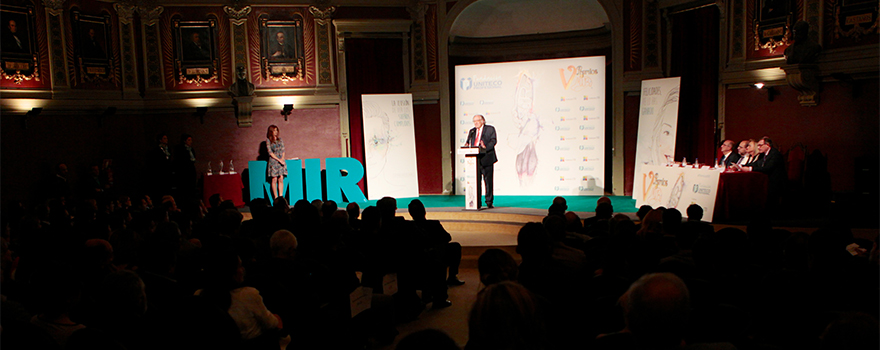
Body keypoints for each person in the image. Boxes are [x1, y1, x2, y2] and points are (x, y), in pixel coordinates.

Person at [737, 136, 786, 207]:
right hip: (766, 178)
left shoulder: (775, 154)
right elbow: (755, 163)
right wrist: (741, 166)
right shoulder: (762, 155)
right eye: (758, 145)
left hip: (775, 180)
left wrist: (750, 169)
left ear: (767, 145)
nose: (758, 147)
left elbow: (767, 168)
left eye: (760, 145)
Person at [464, 114, 497, 209]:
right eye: (474, 121)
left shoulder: (490, 129)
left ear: (483, 121)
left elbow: (493, 141)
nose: (475, 123)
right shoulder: (472, 131)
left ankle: (489, 201)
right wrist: (466, 145)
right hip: (475, 160)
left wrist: (485, 147)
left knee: (488, 182)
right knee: (476, 182)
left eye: (477, 120)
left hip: (487, 158)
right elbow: (468, 142)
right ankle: (477, 202)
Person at [265, 125, 287, 200]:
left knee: (281, 178)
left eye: (277, 130)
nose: (276, 132)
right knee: (274, 179)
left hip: (281, 161)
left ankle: (281, 197)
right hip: (273, 161)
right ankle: (276, 197)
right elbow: (270, 152)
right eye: (274, 130)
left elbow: (283, 150)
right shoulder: (268, 140)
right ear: (271, 131)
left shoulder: (280, 140)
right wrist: (279, 159)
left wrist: (282, 159)